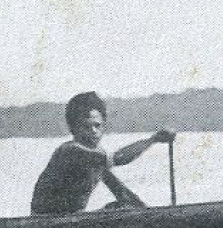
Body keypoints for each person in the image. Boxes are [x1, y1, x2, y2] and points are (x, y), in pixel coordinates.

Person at [30, 91, 173, 215]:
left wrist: (150, 214)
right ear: (73, 129)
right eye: (86, 126)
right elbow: (119, 158)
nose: (93, 131)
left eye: (97, 126)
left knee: (122, 206)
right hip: (45, 223)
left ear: (103, 126)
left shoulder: (97, 157)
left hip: (71, 221)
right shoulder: (70, 151)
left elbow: (121, 192)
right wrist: (153, 140)